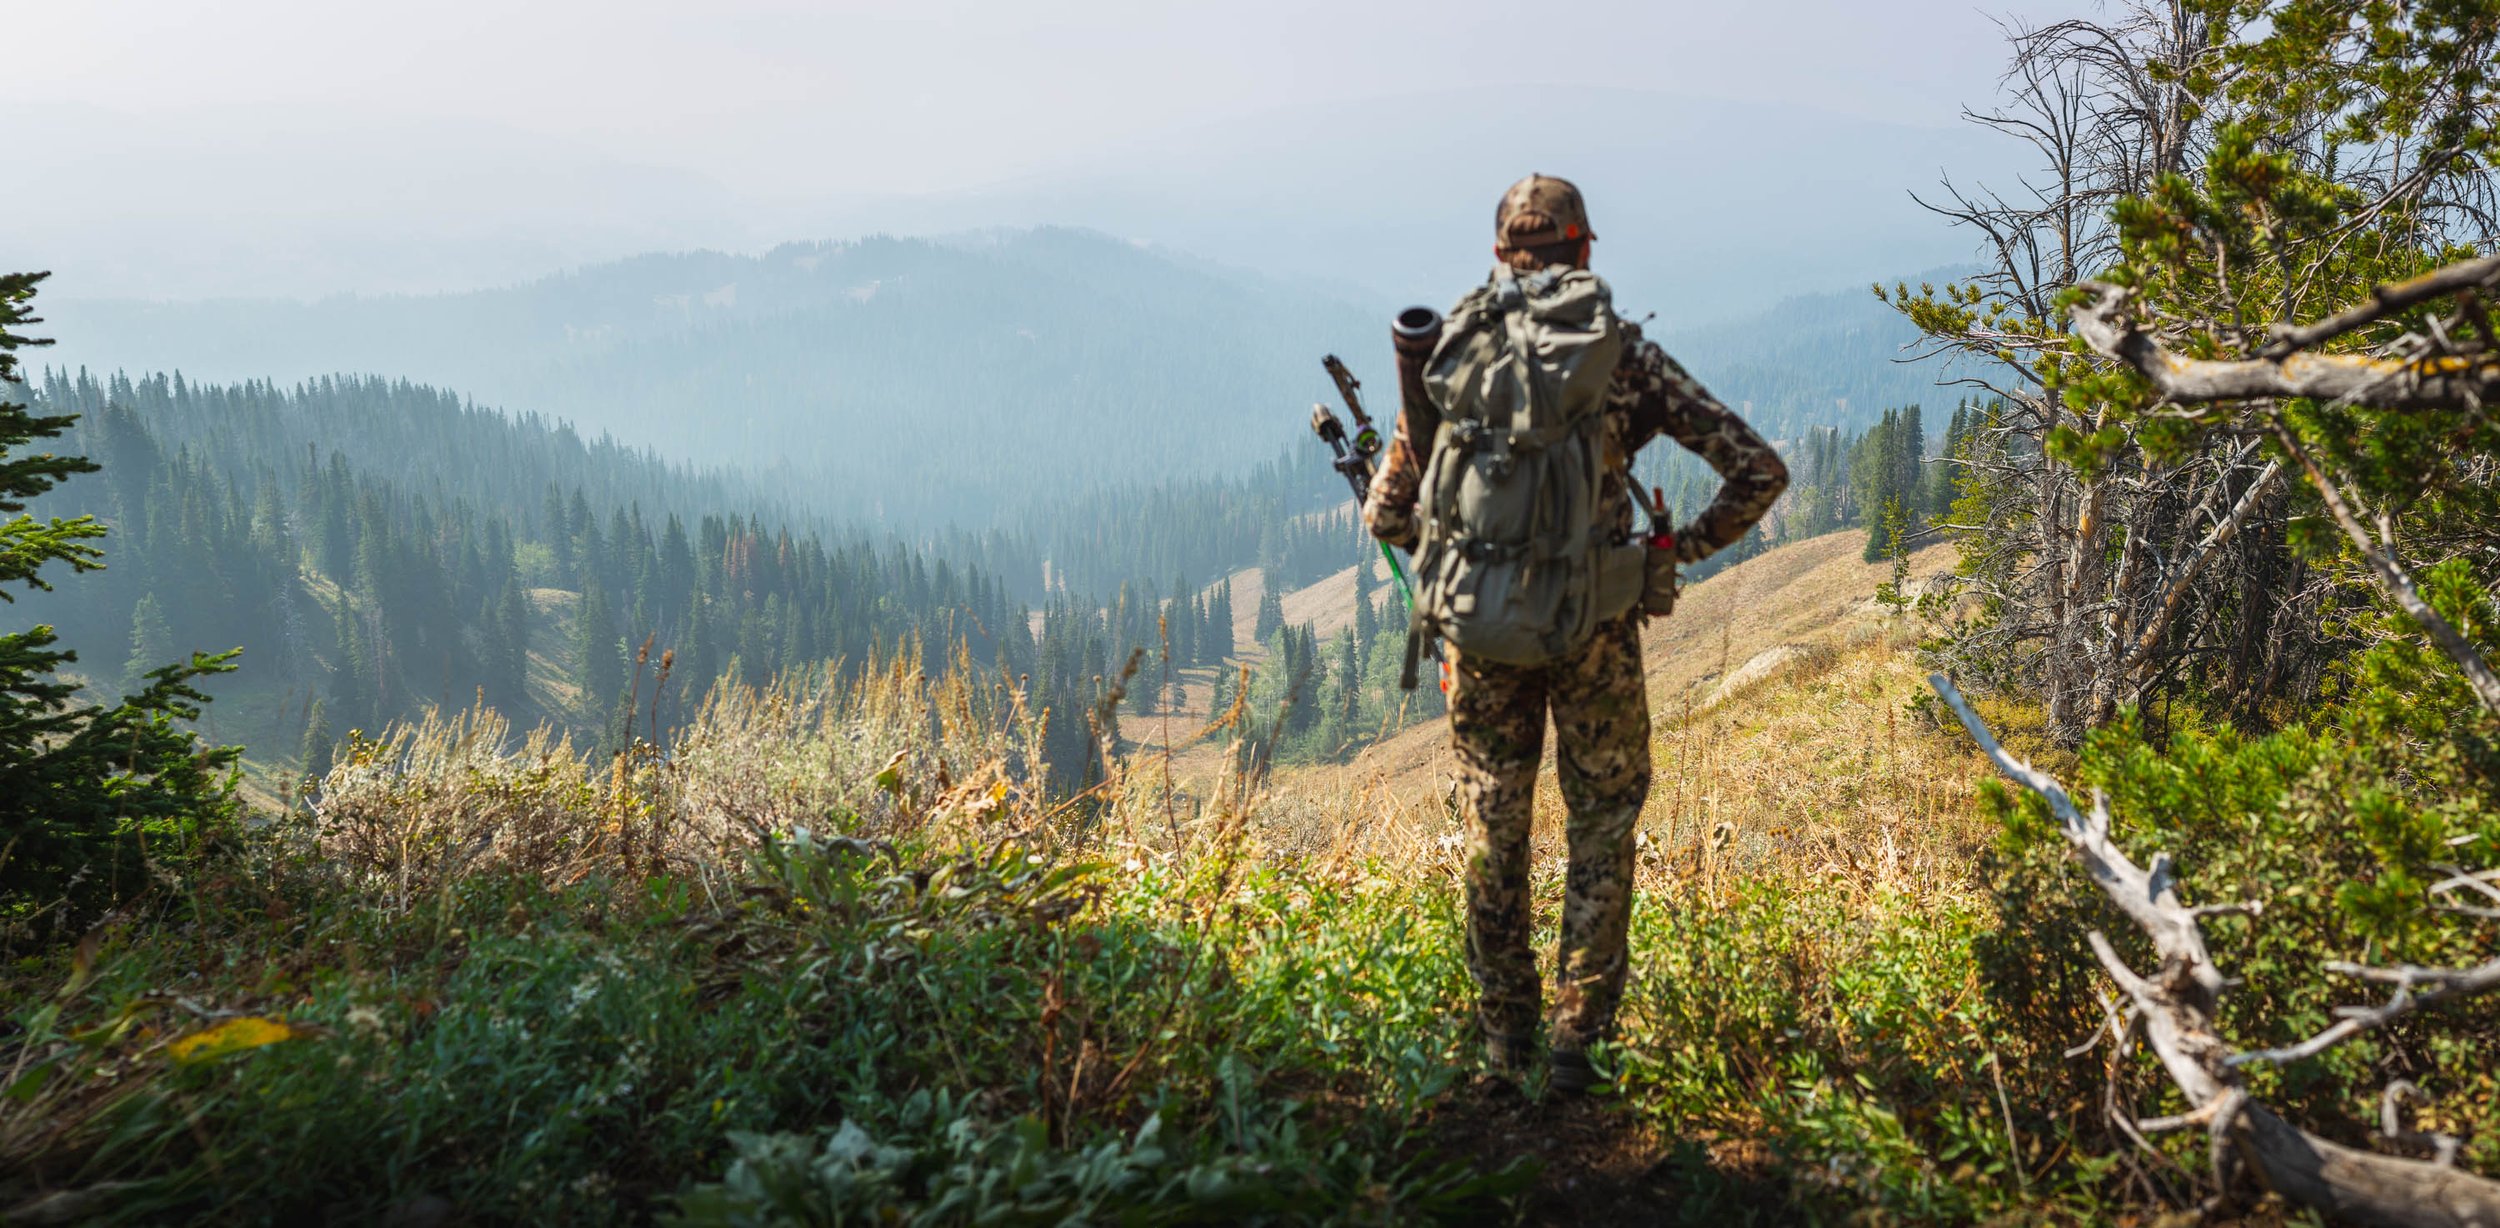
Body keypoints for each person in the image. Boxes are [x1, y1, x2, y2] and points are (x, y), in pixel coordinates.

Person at [1362, 173, 1787, 1093]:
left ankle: (1503, 1042)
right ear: (1585, 248)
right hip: (1595, 629)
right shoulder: (1620, 357)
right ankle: (1574, 1044)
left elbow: (1387, 514)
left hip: (1481, 644)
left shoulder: (1453, 357)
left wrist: (1470, 566)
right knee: (1601, 825)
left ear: (1501, 254)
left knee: (1491, 828)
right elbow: (1758, 468)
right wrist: (1675, 550)